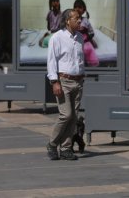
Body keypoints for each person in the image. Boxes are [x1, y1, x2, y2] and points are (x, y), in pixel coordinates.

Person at [46, 9, 85, 160]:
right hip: (64, 81)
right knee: (66, 114)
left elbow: (80, 60)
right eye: (76, 18)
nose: (80, 20)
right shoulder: (57, 38)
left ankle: (66, 148)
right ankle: (52, 143)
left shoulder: (80, 37)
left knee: (74, 117)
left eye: (80, 18)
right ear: (68, 20)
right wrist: (54, 82)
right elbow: (51, 61)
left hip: (78, 81)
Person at [74, 0, 99, 67]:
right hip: (75, 40)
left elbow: (91, 32)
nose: (77, 9)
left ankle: (91, 63)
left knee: (89, 48)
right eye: (75, 7)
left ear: (84, 10)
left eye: (80, 7)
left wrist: (88, 37)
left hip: (85, 40)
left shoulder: (85, 20)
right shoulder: (72, 20)